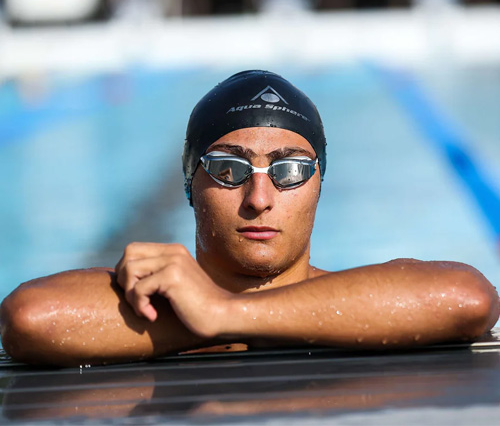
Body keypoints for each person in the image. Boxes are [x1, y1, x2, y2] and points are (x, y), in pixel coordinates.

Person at [1, 70, 499, 367]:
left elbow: (469, 297)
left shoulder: (363, 299)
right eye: (227, 169)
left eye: (290, 171)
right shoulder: (356, 313)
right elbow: (30, 317)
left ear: (319, 185)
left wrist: (223, 314)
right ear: (188, 183)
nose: (259, 198)